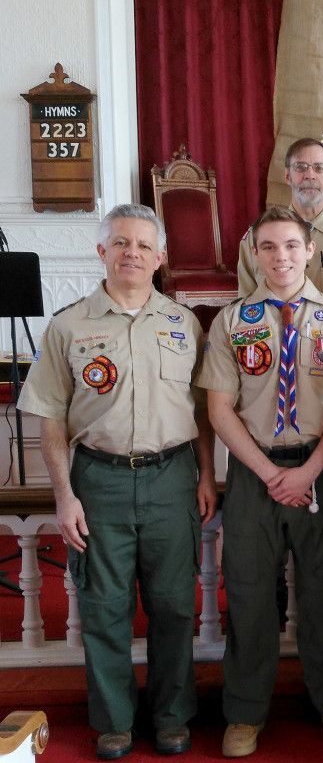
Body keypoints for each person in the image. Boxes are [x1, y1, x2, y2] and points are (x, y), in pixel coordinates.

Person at [17, 204, 217, 760]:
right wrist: (63, 494)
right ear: (100, 251)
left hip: (172, 478)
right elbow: (50, 417)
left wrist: (206, 474)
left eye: (143, 245)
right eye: (121, 243)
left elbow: (201, 410)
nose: (132, 253)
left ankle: (173, 717)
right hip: (98, 481)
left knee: (176, 606)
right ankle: (114, 722)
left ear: (161, 256)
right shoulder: (68, 325)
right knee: (104, 609)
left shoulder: (183, 323)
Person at [198, 206, 323, 757]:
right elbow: (219, 411)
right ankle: (246, 710)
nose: (281, 257)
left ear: (309, 250)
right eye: (268, 247)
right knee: (249, 591)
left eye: (291, 246)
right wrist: (274, 474)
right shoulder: (232, 322)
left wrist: (310, 471)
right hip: (256, 471)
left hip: (322, 465)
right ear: (254, 252)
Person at [237, 137, 323, 301]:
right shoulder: (255, 237)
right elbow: (245, 306)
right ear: (287, 176)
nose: (310, 175)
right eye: (300, 167)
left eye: (319, 168)